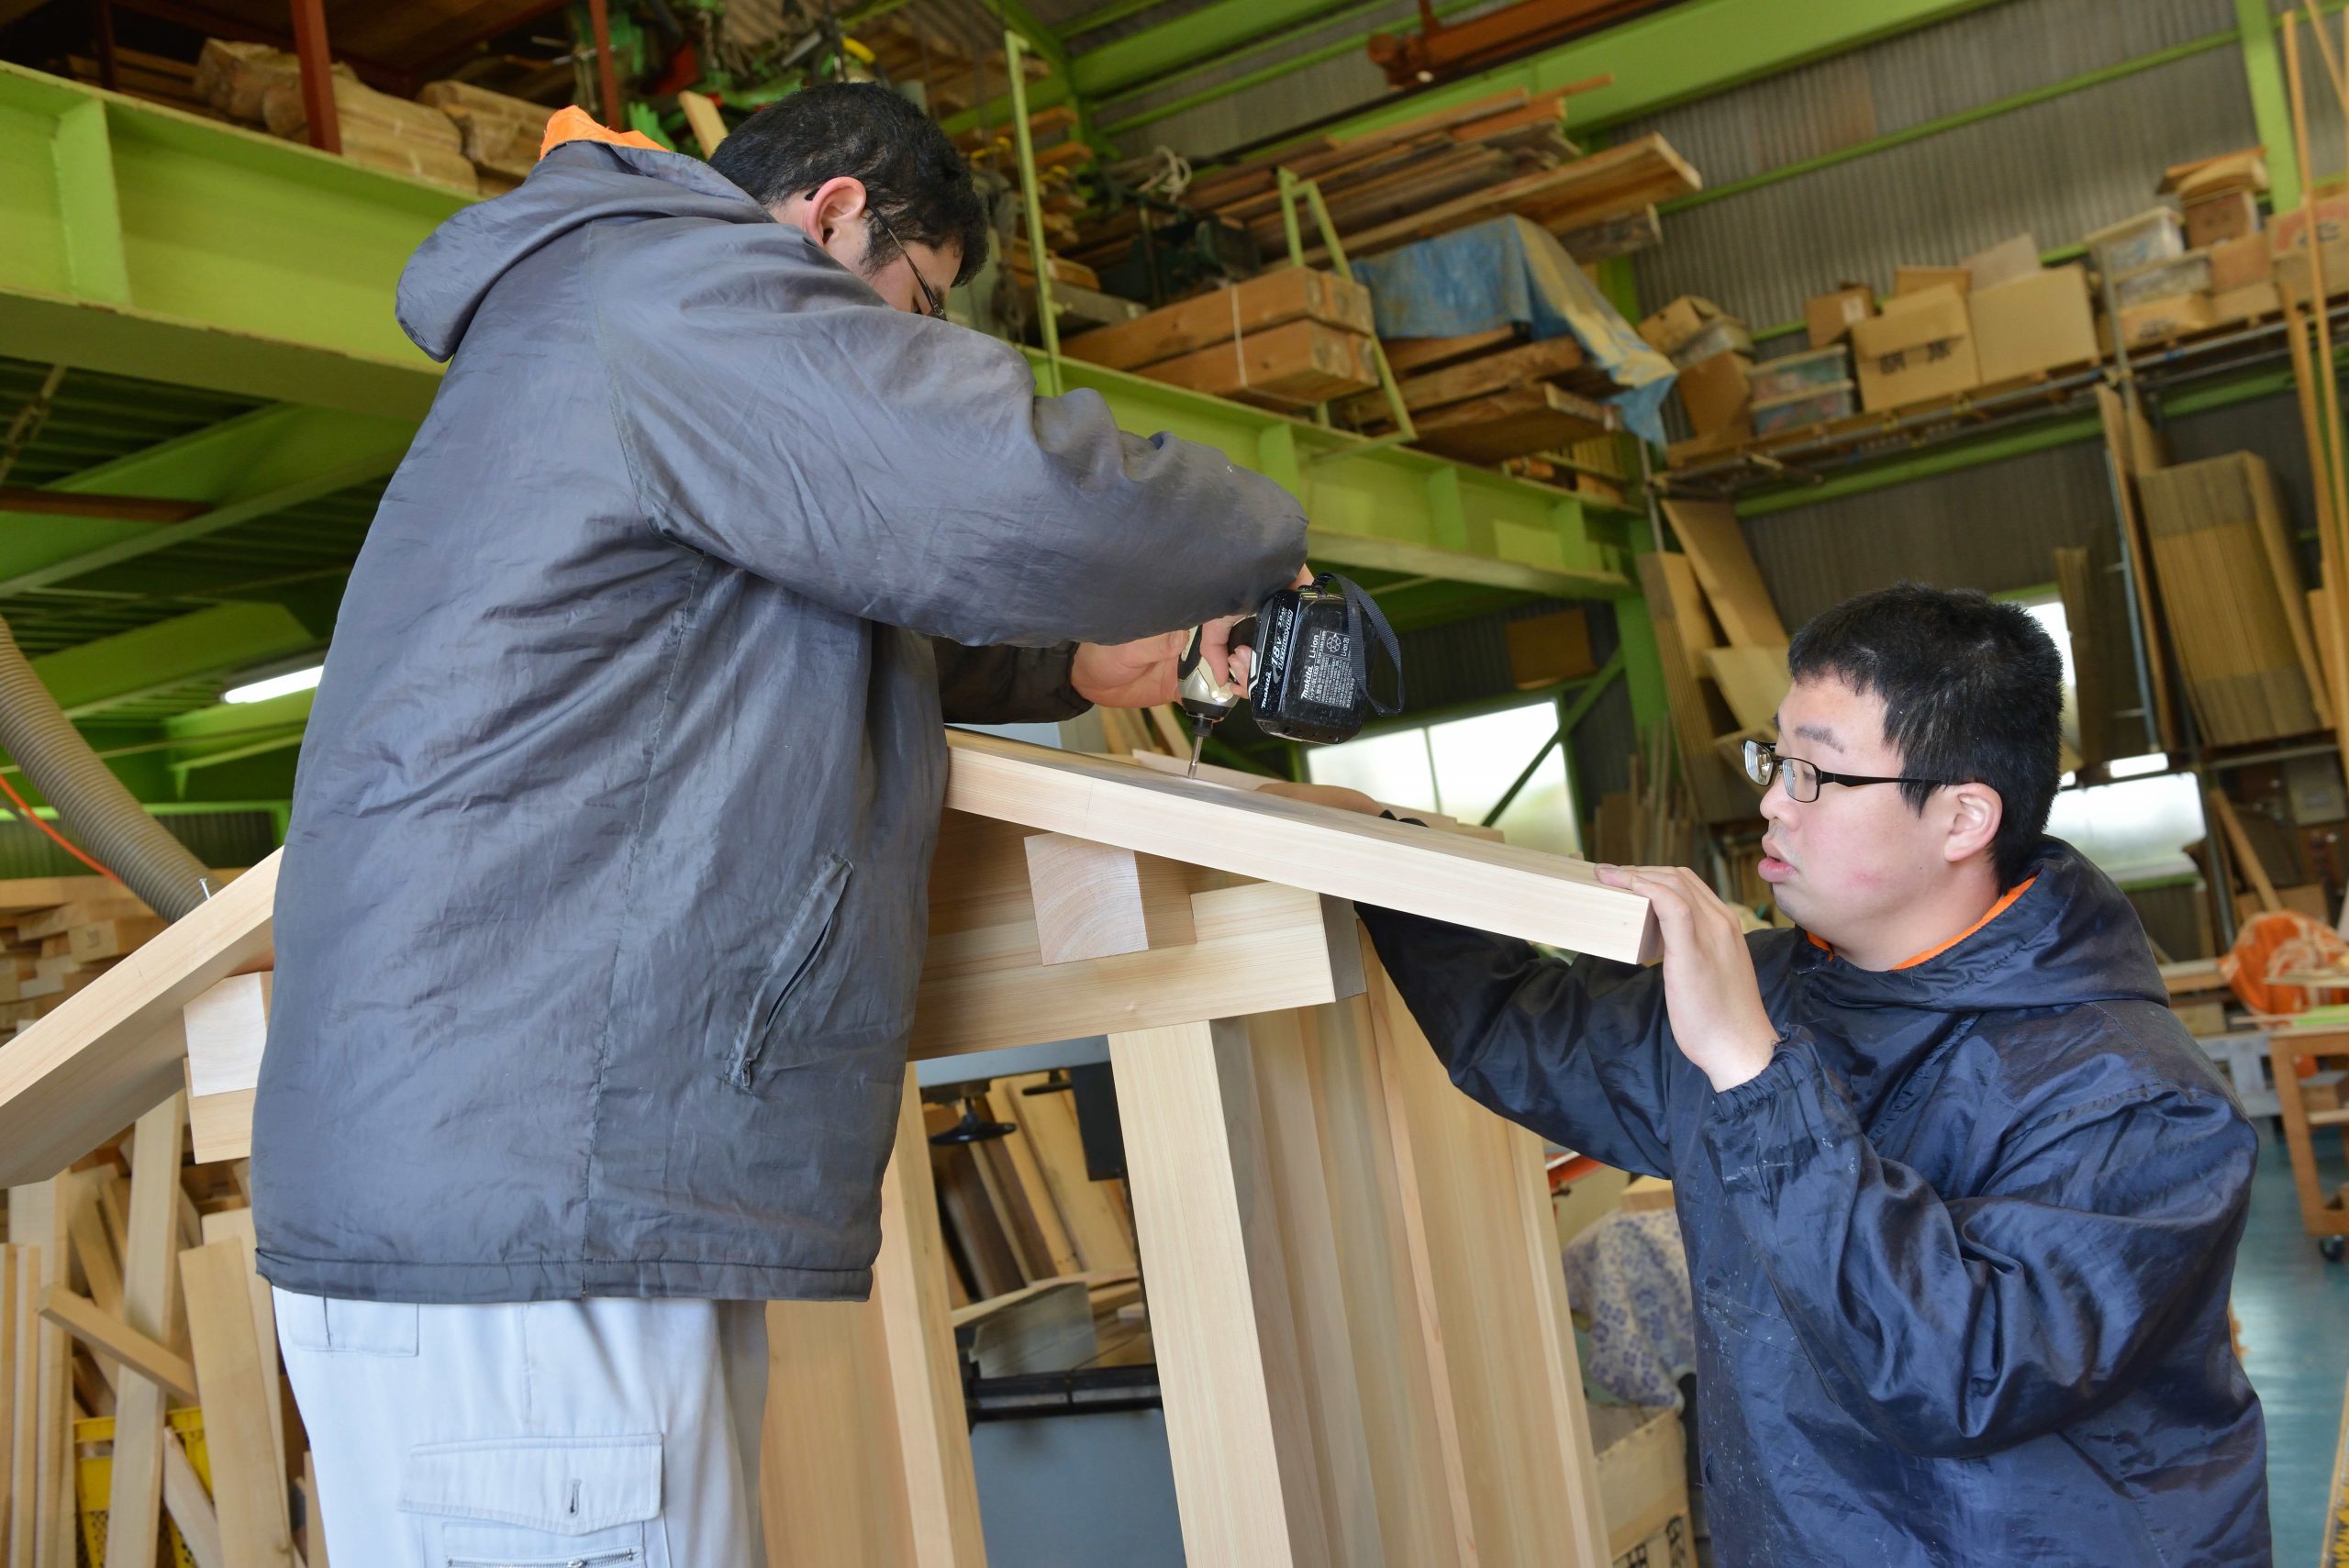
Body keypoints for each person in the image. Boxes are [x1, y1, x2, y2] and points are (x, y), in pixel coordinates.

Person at [250, 83, 1306, 1566]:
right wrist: (1265, 532)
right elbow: (998, 487)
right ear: (835, 213)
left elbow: (786, 602)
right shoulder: (685, 286)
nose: (918, 346)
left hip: (527, 1188)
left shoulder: (625, 319)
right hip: (540, 1205)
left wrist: (1068, 662)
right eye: (919, 305)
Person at [1274, 583, 2267, 1566]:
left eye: (1812, 773)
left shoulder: (2143, 1102)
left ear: (1963, 817)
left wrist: (1753, 1071)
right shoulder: (1767, 990)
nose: (1770, 803)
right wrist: (1380, 851)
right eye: (1773, 759)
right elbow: (1518, 1031)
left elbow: (1959, 1371)